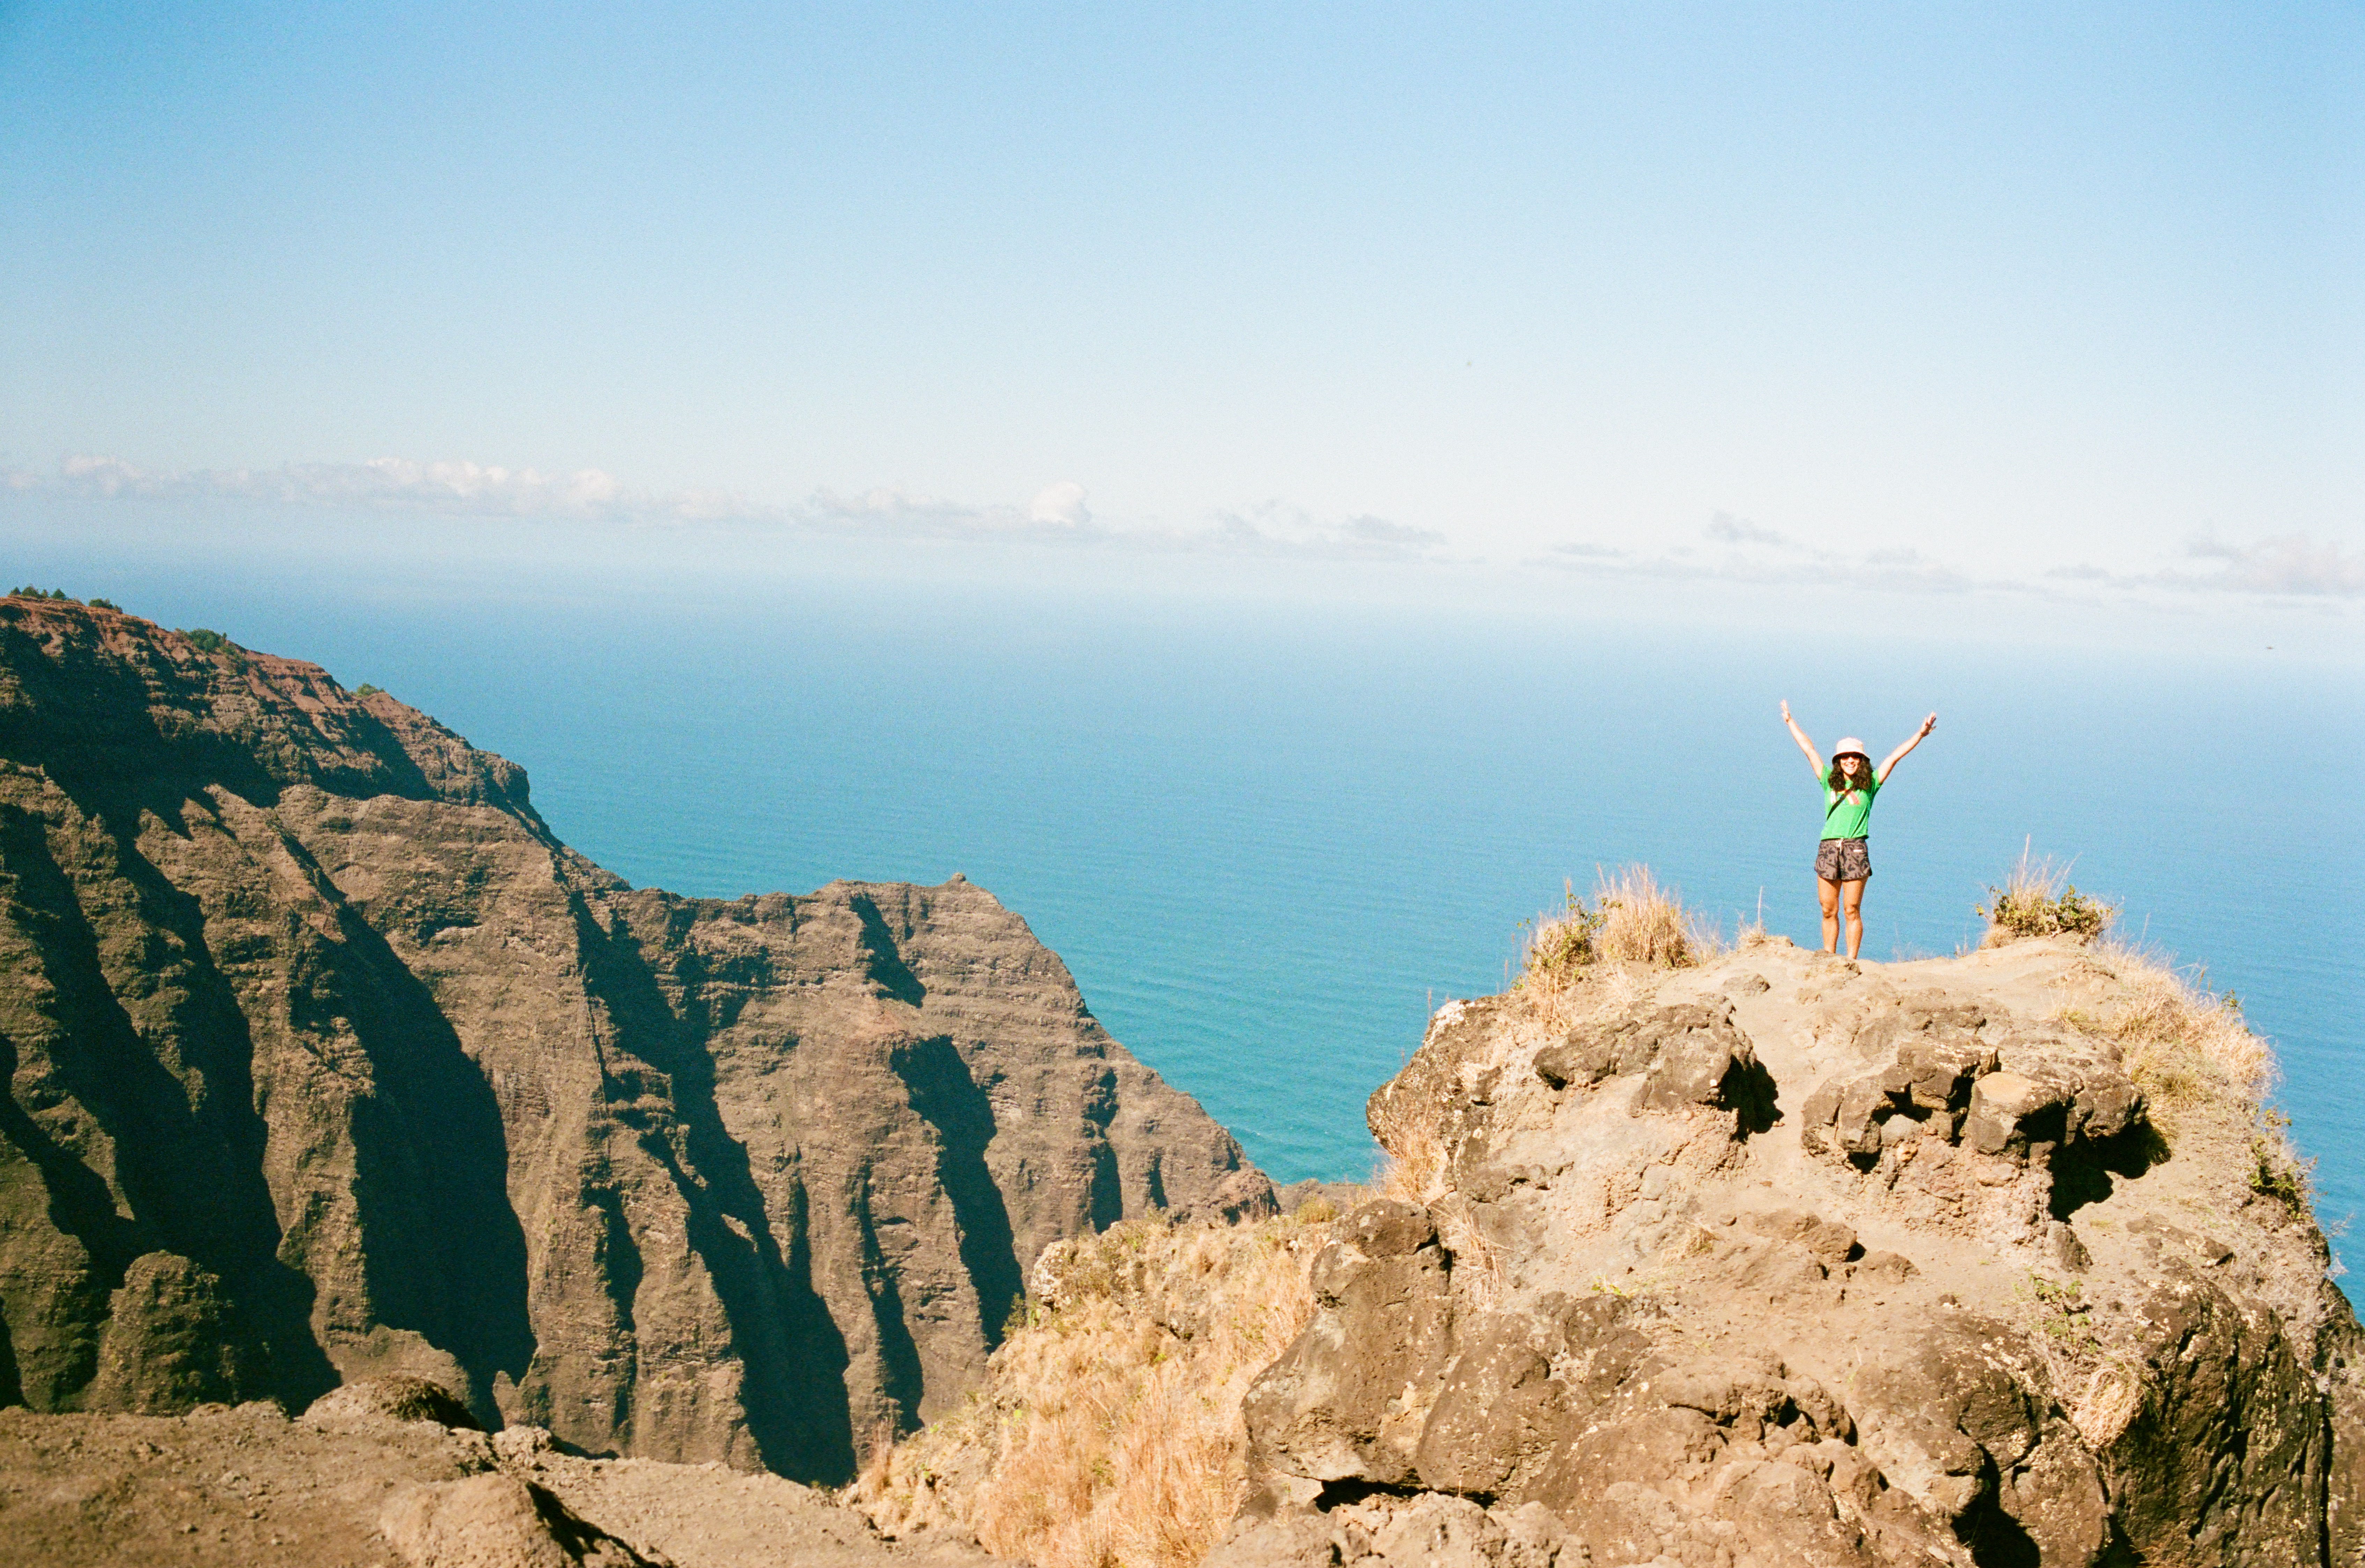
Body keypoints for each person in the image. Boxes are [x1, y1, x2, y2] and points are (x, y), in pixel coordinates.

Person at [1779, 702, 1937, 958]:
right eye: (1845, 757)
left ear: (1862, 761)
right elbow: (1809, 749)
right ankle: (1829, 959)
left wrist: (1920, 734)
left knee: (1852, 909)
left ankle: (1852, 962)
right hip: (1829, 848)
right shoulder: (1827, 780)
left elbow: (1894, 757)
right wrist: (1789, 721)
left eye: (1855, 757)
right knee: (1828, 910)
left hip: (1855, 848)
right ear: (1838, 761)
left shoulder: (1871, 784)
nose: (1850, 760)